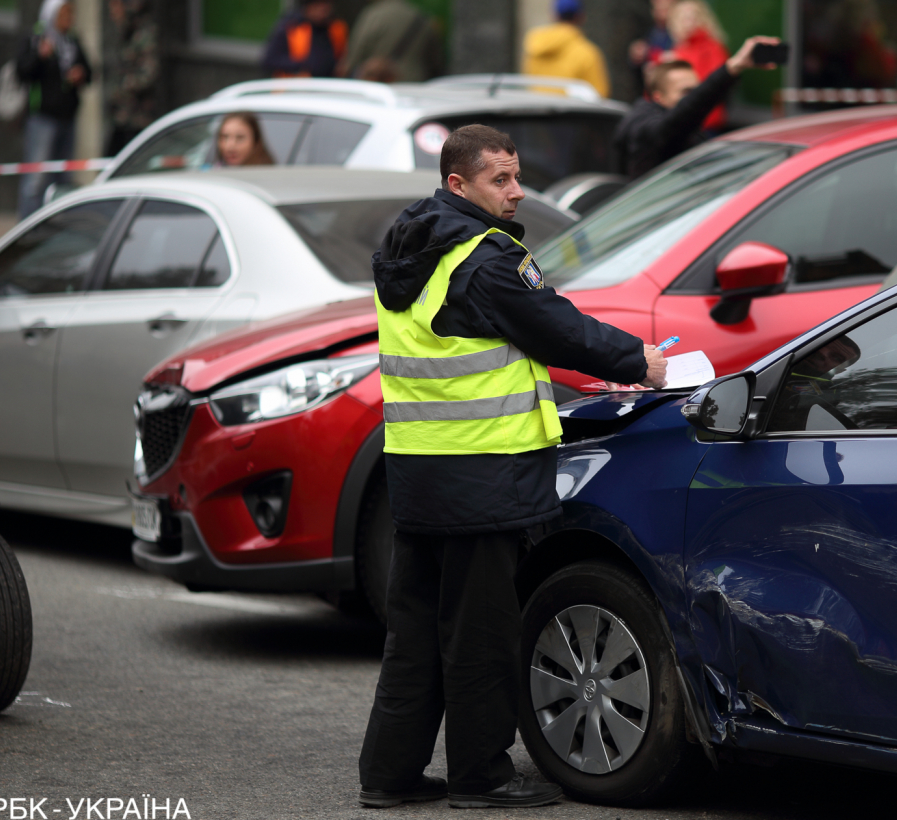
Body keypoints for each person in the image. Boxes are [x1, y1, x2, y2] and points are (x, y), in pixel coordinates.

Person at [357, 124, 667, 810]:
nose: (516, 191)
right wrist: (641, 362)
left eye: (517, 176)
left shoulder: (408, 247)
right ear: (457, 184)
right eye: (500, 179)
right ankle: (481, 776)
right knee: (481, 635)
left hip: (419, 470)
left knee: (414, 635)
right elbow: (559, 327)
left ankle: (389, 774)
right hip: (482, 476)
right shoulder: (486, 257)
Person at [613, 35, 780, 179]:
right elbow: (677, 120)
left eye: (696, 90)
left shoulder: (692, 133)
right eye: (686, 92)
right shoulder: (647, 128)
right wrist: (732, 68)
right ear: (659, 97)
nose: (693, 97)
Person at [15, 0, 91, 219]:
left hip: (68, 118)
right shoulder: (37, 38)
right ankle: (28, 226)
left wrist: (80, 74)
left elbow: (89, 71)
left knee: (63, 179)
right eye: (64, 14)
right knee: (36, 180)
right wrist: (40, 56)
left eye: (71, 14)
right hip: (43, 119)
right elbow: (22, 71)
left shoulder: (72, 41)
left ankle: (55, 228)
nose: (69, 19)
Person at [521, 0, 610, 98]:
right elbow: (599, 95)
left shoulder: (534, 47)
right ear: (581, 17)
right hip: (571, 112)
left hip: (537, 110)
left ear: (554, 15)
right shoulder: (588, 53)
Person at [663, 0, 728, 131]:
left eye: (693, 18)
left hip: (705, 120)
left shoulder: (712, 48)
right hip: (680, 119)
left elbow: (715, 83)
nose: (688, 23)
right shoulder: (678, 48)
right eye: (684, 19)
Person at [105, 0, 159, 156]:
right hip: (121, 119)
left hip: (136, 120)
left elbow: (149, 74)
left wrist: (123, 87)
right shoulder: (126, 33)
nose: (113, 13)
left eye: (116, 7)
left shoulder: (144, 34)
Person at [343, 0, 443, 83]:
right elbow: (435, 59)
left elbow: (357, 52)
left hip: (378, 83)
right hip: (414, 83)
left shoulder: (373, 14)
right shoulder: (422, 17)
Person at [261, 0, 347, 79]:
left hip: (328, 85)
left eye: (325, 4)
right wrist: (301, 66)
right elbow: (270, 59)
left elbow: (341, 56)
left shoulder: (336, 28)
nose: (322, 9)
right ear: (307, 6)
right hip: (293, 88)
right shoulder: (291, 26)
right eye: (317, 5)